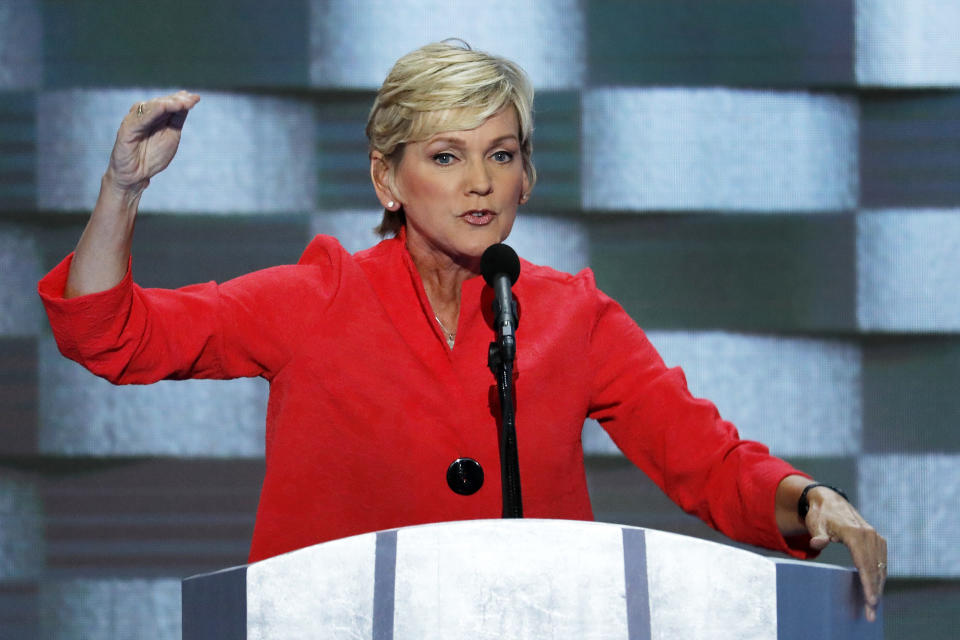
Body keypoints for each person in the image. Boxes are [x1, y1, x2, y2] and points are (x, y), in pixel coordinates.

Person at [38, 42, 886, 620]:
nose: (480, 182)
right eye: (446, 156)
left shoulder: (571, 315)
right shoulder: (316, 298)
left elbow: (707, 460)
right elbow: (112, 334)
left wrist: (814, 502)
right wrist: (122, 190)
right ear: (388, 178)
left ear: (527, 174)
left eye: (502, 153)